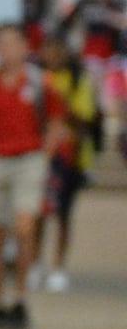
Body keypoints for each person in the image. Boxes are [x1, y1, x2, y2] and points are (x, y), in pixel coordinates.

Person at [0, 22, 67, 329]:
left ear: (24, 47)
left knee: (24, 227)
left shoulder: (40, 83)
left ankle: (21, 298)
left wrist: (45, 155)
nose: (7, 50)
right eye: (1, 44)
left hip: (27, 160)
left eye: (12, 43)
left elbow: (56, 121)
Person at [39, 33, 100, 292]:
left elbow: (85, 117)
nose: (52, 56)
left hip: (70, 157)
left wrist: (58, 101)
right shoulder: (37, 77)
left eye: (57, 50)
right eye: (48, 50)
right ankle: (34, 263)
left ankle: (58, 267)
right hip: (41, 155)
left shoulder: (77, 79)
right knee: (37, 214)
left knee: (63, 214)